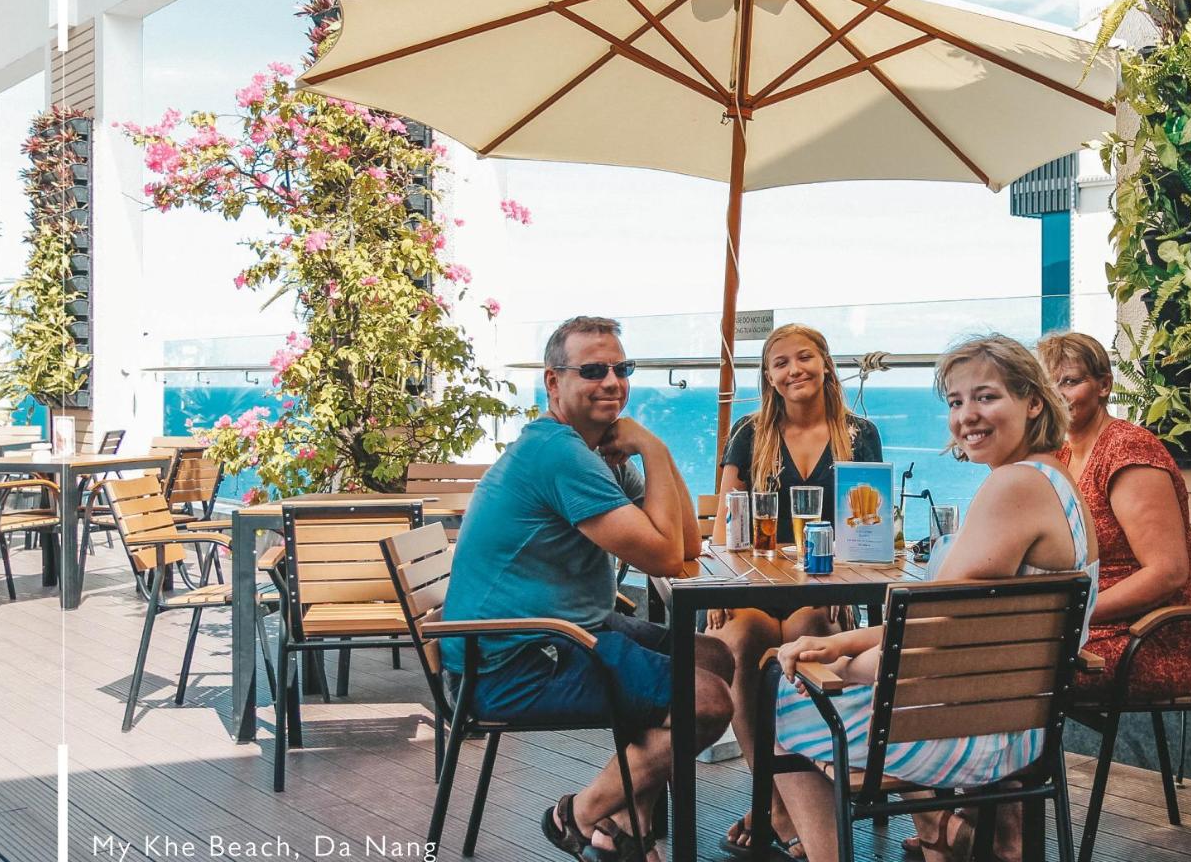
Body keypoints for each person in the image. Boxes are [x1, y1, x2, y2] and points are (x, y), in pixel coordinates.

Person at [769, 335, 1099, 862]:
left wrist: (844, 663)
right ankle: (941, 832)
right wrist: (843, 644)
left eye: (986, 397)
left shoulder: (1011, 487)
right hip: (1021, 727)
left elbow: (925, 631)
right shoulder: (1056, 479)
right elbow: (948, 616)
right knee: (822, 669)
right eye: (955, 401)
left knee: (783, 699)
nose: (967, 415)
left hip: (970, 737)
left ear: (1033, 401)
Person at [441, 315, 734, 862]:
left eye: (621, 369)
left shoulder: (593, 450)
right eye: (593, 370)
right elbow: (668, 555)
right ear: (554, 383)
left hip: (561, 634)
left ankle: (625, 827)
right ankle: (578, 814)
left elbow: (689, 543)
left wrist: (653, 450)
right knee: (706, 701)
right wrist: (650, 445)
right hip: (510, 662)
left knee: (713, 654)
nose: (612, 382)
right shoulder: (559, 454)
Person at [708, 323, 882, 858]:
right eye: (779, 362)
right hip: (756, 584)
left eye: (803, 358)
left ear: (826, 363)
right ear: (768, 375)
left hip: (822, 586)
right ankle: (772, 798)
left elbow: (867, 520)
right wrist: (719, 588)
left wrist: (844, 576)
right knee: (739, 645)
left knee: (809, 633)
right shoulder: (749, 431)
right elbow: (722, 521)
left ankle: (793, 798)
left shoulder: (859, 433)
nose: (793, 370)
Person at [1035, 330, 1191, 701]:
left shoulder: (1127, 450)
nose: (1057, 394)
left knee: (1001, 667)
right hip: (1086, 627)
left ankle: (1018, 761)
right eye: (1048, 385)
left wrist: (1073, 613)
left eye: (1070, 381)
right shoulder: (1062, 454)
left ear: (1104, 385)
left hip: (1145, 640)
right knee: (980, 653)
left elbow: (1168, 572)